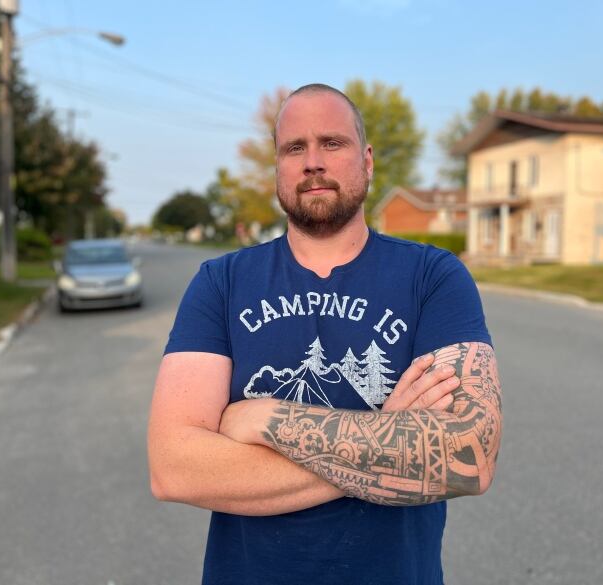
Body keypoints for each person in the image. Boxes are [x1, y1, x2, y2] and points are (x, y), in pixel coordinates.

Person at [148, 83, 502, 585]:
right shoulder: (221, 283)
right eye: (295, 148)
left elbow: (469, 457)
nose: (313, 161)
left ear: (368, 160)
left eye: (332, 143)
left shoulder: (433, 277)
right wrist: (390, 436)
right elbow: (174, 468)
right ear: (278, 166)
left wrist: (264, 420)